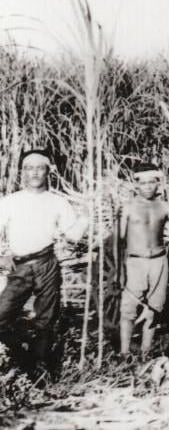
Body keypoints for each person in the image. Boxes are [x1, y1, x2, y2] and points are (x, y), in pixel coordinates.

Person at [0, 150, 90, 373]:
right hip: (19, 266)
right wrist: (3, 255)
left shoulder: (57, 203)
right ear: (22, 172)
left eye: (40, 167)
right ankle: (23, 354)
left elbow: (73, 235)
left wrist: (87, 217)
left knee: (46, 320)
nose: (35, 172)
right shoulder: (10, 201)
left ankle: (41, 370)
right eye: (29, 168)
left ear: (48, 171)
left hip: (46, 263)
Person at [118, 163, 169, 357]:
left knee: (155, 307)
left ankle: (146, 351)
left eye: (152, 182)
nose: (147, 186)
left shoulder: (164, 206)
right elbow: (118, 239)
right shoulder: (128, 207)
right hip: (135, 261)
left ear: (158, 183)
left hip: (158, 261)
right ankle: (124, 351)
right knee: (129, 307)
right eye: (143, 183)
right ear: (136, 184)